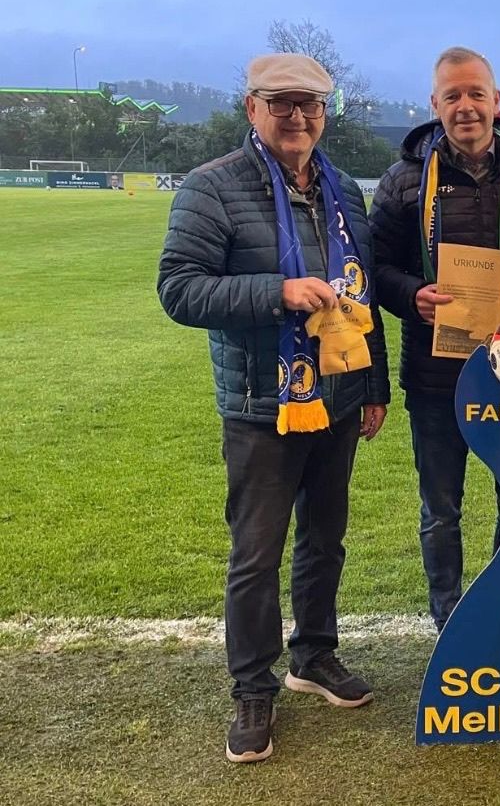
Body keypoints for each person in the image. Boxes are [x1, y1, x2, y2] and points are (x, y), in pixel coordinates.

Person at [157, 53, 390, 764]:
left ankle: (313, 655)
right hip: (264, 402)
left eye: (311, 106)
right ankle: (252, 685)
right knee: (256, 555)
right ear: (252, 107)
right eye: (283, 104)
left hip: (340, 397)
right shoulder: (212, 187)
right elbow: (179, 289)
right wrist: (275, 291)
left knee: (326, 538)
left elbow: (361, 291)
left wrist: (374, 384)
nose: (298, 118)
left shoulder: (344, 188)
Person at [369, 47, 500, 630]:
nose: (466, 106)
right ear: (434, 105)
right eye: (452, 95)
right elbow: (372, 269)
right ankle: (450, 623)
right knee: (441, 510)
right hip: (435, 376)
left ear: (496, 101)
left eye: (476, 93)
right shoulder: (405, 182)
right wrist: (411, 296)